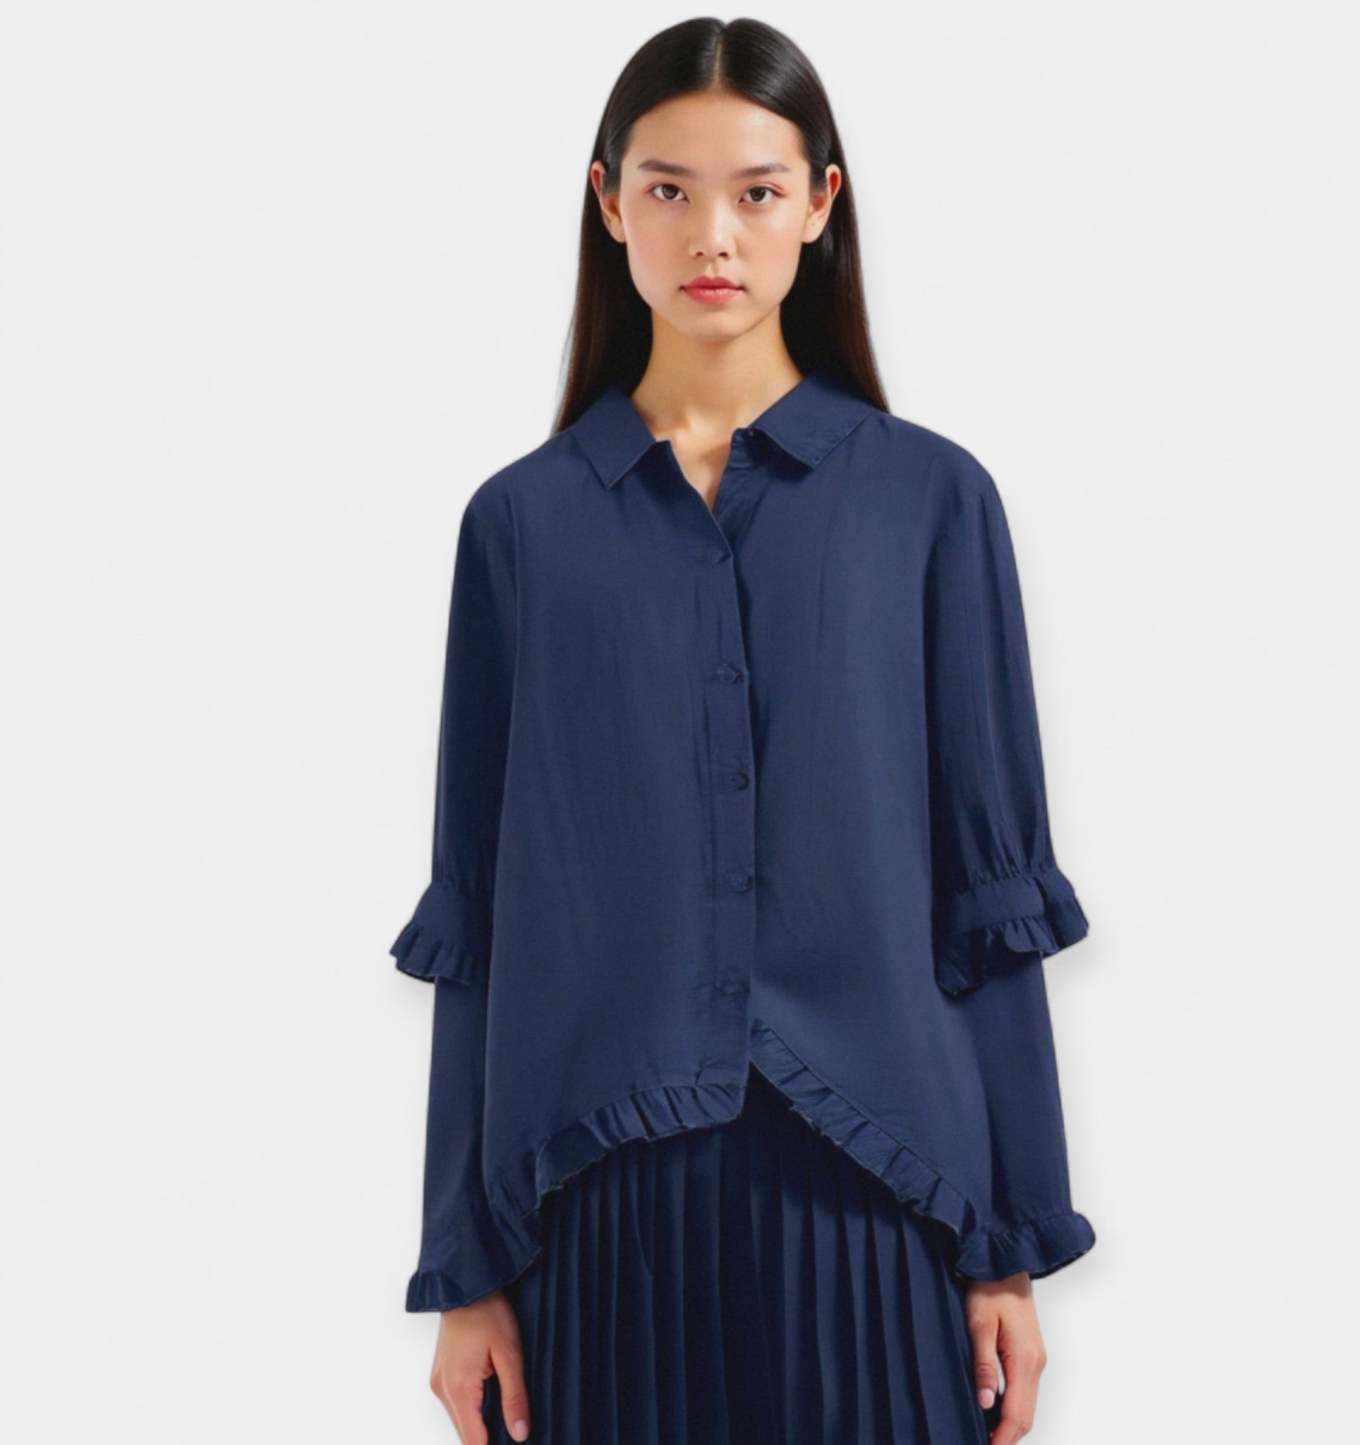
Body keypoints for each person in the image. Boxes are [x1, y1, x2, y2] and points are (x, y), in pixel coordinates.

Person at [388, 17, 1095, 1445]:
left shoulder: (931, 505)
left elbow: (990, 897)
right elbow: (479, 918)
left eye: (757, 190)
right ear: (608, 204)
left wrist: (1008, 1246)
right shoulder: (521, 527)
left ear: (820, 205)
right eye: (668, 188)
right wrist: (467, 1273)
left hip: (878, 1194)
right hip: (600, 1210)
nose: (712, 233)